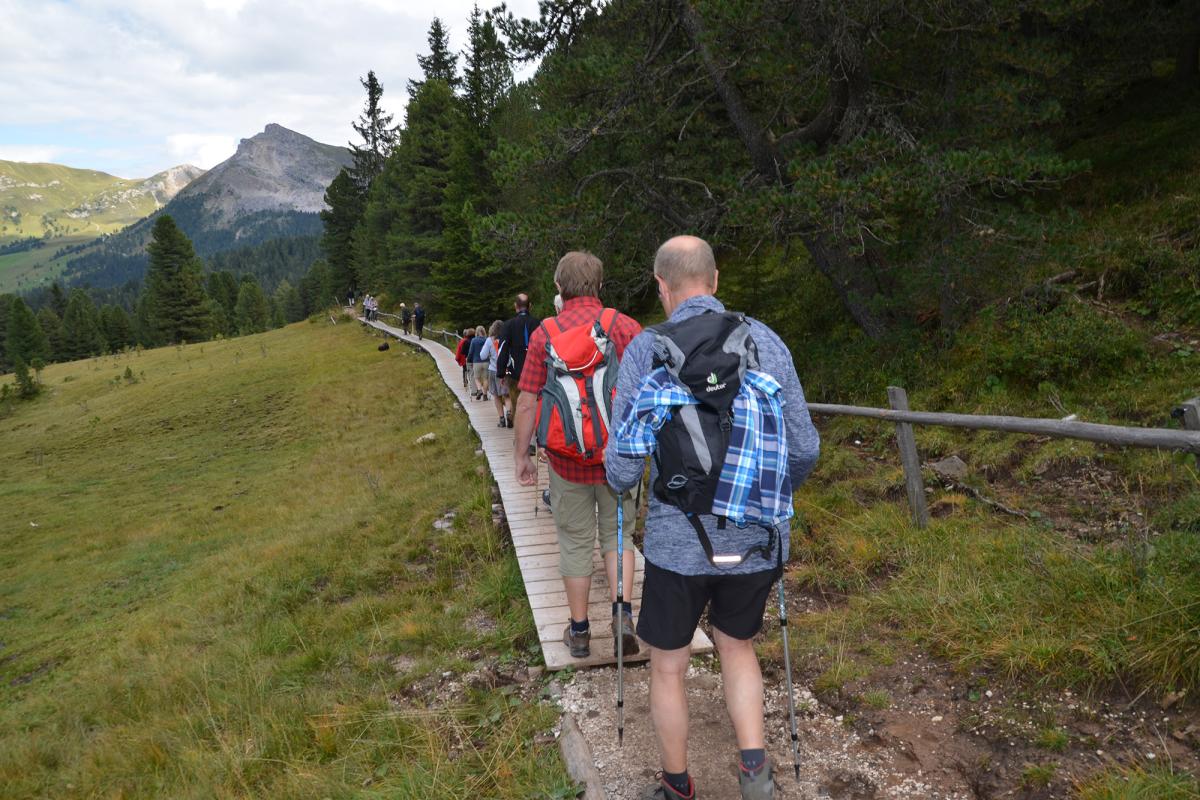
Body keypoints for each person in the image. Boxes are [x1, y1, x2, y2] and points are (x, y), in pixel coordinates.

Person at [605, 236, 820, 800]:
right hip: (756, 540)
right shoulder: (766, 342)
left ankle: (676, 786)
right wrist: (764, 497)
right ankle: (756, 776)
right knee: (737, 646)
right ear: (716, 279)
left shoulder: (645, 351)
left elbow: (623, 471)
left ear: (661, 286)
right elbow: (804, 448)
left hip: (678, 542)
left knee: (669, 666)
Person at [514, 251, 643, 659]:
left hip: (567, 463)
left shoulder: (543, 334)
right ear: (600, 286)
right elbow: (646, 393)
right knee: (617, 536)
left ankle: (580, 631)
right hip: (618, 461)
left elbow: (528, 401)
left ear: (558, 288)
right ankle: (622, 615)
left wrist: (522, 455)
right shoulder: (623, 327)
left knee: (573, 541)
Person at [497, 293, 542, 431]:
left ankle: (522, 441)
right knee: (536, 405)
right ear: (530, 306)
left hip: (514, 373)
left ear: (515, 306)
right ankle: (536, 438)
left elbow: (503, 349)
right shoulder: (539, 324)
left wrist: (501, 372)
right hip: (536, 373)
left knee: (517, 405)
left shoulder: (507, 325)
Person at [479, 320, 512, 427]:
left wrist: (490, 354)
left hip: (493, 371)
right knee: (507, 395)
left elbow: (482, 356)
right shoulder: (507, 339)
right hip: (506, 370)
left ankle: (502, 419)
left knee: (496, 396)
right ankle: (509, 414)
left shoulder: (489, 340)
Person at [468, 325, 489, 400]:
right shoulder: (487, 340)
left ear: (476, 332)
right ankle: (485, 395)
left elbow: (471, 352)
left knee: (476, 378)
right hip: (486, 361)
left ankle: (479, 390)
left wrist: (469, 360)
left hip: (476, 362)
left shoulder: (473, 340)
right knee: (485, 379)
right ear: (484, 332)